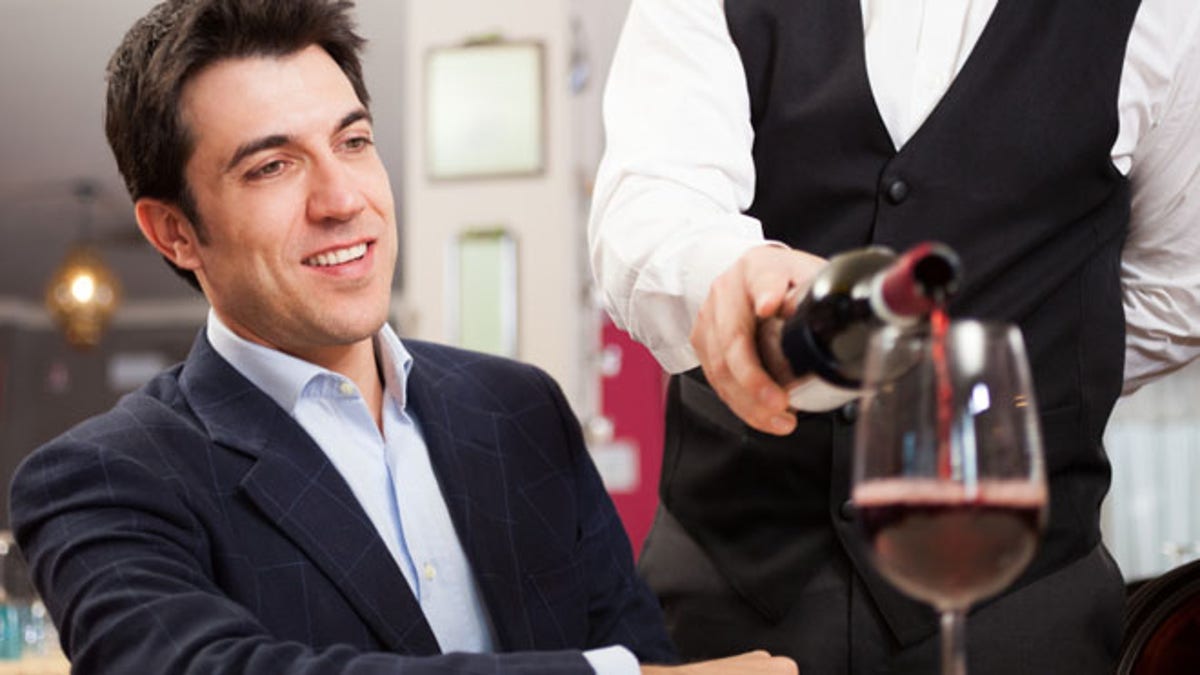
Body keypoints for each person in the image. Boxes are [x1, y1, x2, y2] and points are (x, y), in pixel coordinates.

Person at [7, 2, 804, 674]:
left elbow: (635, 643)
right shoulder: (100, 480)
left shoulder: (521, 410)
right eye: (273, 167)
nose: (342, 197)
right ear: (175, 231)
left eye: (353, 142)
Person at [588, 0, 1200, 673]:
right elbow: (652, 201)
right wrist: (725, 285)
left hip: (1020, 612)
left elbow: (1181, 287)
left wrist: (1016, 396)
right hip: (729, 597)